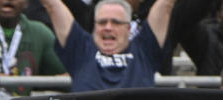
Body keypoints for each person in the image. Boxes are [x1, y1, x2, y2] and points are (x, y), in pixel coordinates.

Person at [39, 0, 174, 91]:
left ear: (128, 28)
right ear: (94, 26)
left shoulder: (145, 49)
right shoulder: (80, 48)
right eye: (102, 22)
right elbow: (52, 5)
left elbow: (166, 4)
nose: (108, 27)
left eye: (116, 22)